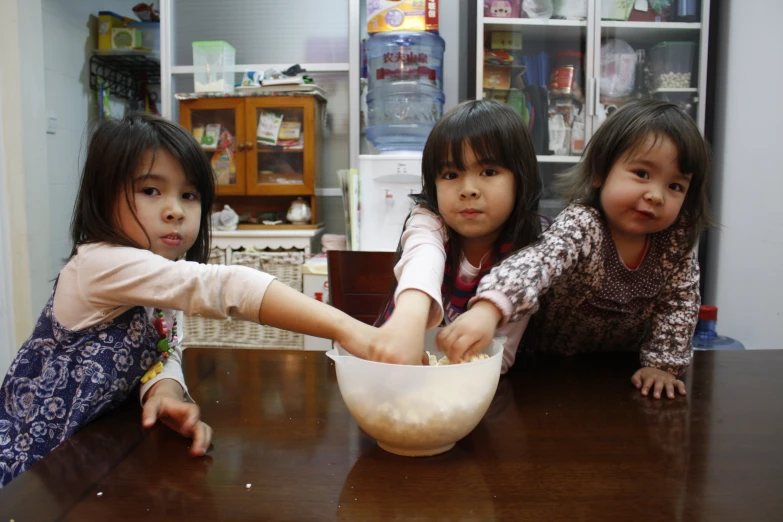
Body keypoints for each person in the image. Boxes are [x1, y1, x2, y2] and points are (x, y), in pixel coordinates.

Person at [0, 114, 375, 487]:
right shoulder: (99, 263)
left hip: (97, 458)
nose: (175, 210)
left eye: (189, 195)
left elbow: (165, 352)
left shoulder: (161, 274)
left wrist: (164, 392)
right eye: (150, 190)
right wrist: (347, 327)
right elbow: (227, 286)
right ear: (103, 195)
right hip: (33, 466)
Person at [436, 100, 714, 400]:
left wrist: (662, 366)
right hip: (546, 366)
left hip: (621, 372)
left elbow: (680, 304)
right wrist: (489, 308)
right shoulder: (583, 224)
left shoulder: (674, 245)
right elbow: (537, 262)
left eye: (675, 186)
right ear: (599, 172)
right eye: (642, 174)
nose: (656, 195)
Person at [368, 100, 542, 372]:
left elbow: (502, 358)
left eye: (489, 172)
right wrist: (409, 318)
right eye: (450, 174)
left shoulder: (529, 246)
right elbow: (422, 258)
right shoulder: (429, 222)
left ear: (521, 179)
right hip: (400, 372)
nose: (468, 189)